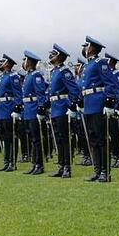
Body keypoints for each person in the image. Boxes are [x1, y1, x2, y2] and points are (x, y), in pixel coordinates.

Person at [79, 35, 119, 183]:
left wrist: (109, 102)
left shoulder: (99, 62)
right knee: (93, 139)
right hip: (89, 104)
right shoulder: (87, 64)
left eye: (85, 46)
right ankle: (97, 170)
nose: (83, 49)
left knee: (101, 140)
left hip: (97, 103)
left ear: (90, 48)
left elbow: (110, 83)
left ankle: (105, 171)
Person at [47, 43, 80, 178]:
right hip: (55, 107)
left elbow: (74, 90)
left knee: (64, 138)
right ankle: (60, 165)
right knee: (58, 139)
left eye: (53, 54)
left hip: (62, 107)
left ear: (59, 57)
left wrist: (72, 106)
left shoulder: (64, 71)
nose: (50, 56)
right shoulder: (53, 71)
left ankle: (67, 166)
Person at [21, 50, 48, 175]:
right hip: (27, 109)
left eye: (25, 60)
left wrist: (41, 108)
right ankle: (34, 164)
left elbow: (40, 93)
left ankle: (39, 165)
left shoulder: (36, 75)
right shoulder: (28, 75)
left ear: (30, 62)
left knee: (37, 139)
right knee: (32, 138)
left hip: (33, 109)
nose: (24, 63)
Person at [0, 54, 21, 172]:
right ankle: (6, 161)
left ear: (7, 64)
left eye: (2, 62)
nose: (0, 63)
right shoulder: (1, 77)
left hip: (8, 108)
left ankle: (12, 162)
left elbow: (17, 93)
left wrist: (16, 108)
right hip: (1, 109)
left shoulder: (13, 76)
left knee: (11, 136)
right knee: (5, 137)